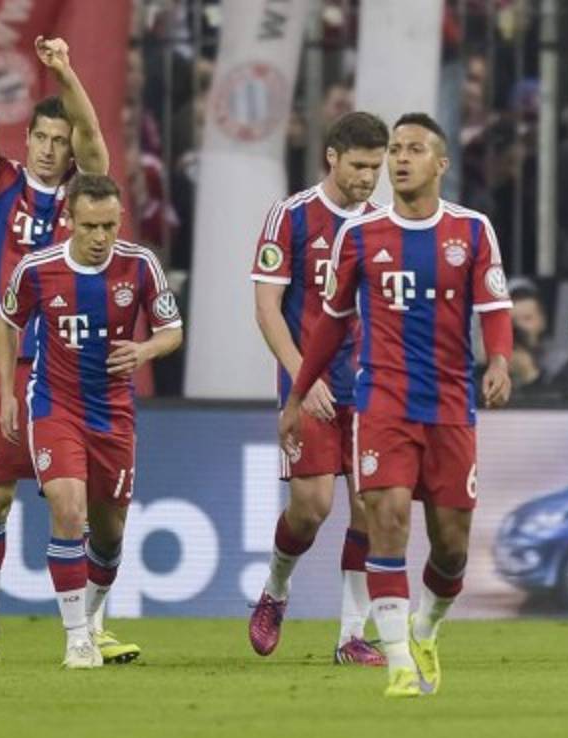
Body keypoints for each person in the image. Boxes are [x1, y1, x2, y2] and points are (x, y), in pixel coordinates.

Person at [279, 112, 513, 698]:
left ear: (441, 163)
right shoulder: (359, 235)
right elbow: (330, 325)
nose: (401, 159)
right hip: (382, 403)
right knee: (386, 521)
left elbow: (494, 308)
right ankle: (399, 664)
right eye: (397, 149)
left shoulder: (473, 230)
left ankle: (425, 627)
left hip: (451, 405)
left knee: (452, 547)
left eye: (414, 149)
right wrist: (299, 392)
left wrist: (501, 360)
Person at [0, 22, 138, 665]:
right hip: (11, 358)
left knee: (94, 510)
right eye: (42, 137)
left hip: (77, 368)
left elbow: (96, 138)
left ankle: (92, 625)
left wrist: (64, 71)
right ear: (27, 138)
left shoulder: (83, 197)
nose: (51, 150)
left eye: (61, 141)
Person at [0, 174, 183, 668]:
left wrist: (144, 350)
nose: (101, 237)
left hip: (113, 413)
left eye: (109, 226)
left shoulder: (140, 265)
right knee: (68, 508)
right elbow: (7, 323)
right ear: (69, 220)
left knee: (109, 533)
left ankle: (92, 622)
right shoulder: (37, 269)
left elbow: (172, 330)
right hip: (55, 405)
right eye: (90, 226)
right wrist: (6, 393)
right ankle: (77, 639)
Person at [248, 111, 389, 667]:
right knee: (311, 508)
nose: (368, 178)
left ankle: (352, 636)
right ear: (332, 157)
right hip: (309, 385)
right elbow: (267, 309)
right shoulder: (291, 216)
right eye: (359, 166)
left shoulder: (384, 226)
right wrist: (302, 379)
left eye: (376, 167)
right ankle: (276, 588)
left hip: (371, 389)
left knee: (371, 508)